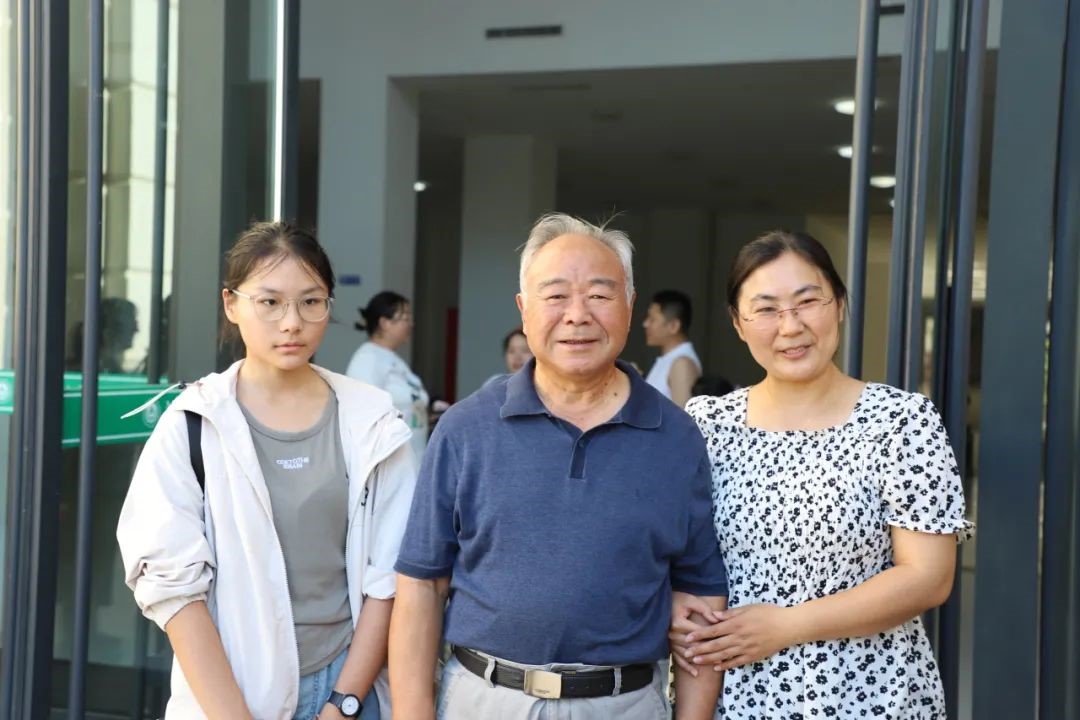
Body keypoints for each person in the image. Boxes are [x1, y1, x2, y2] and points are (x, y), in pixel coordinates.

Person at [388, 213, 729, 720]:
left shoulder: (677, 438)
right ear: (524, 310)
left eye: (599, 294)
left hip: (625, 706)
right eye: (556, 295)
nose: (577, 315)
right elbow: (422, 584)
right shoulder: (466, 428)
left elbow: (699, 595)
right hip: (483, 700)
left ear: (630, 306)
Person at [117, 221, 417, 720]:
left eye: (311, 301)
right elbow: (172, 591)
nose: (292, 322)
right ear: (231, 304)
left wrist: (342, 705)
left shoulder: (372, 421)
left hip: (350, 685)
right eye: (270, 302)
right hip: (231, 690)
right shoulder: (193, 423)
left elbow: (388, 578)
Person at [676, 230, 973, 719]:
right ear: (738, 323)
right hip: (740, 699)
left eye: (808, 301)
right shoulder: (707, 424)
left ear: (838, 305)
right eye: (766, 309)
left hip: (872, 698)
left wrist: (788, 625)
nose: (790, 326)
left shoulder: (900, 421)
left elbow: (928, 577)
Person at [346, 291, 430, 460]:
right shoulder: (367, 360)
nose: (411, 324)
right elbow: (363, 417)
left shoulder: (393, 358)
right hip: (390, 464)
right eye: (405, 318)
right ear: (385, 323)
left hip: (413, 459)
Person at [643, 290, 702, 407]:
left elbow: (682, 416)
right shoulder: (669, 360)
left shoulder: (682, 364)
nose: (645, 324)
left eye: (652, 319)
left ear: (674, 326)